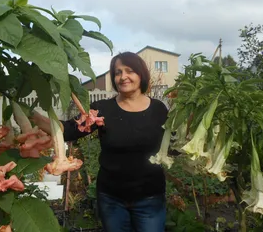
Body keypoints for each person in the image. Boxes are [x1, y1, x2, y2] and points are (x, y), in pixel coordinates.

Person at [32, 52, 169, 232]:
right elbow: (69, 130)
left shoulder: (158, 109)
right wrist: (31, 115)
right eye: (118, 72)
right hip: (112, 199)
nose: (123, 77)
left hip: (150, 198)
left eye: (129, 71)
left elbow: (172, 144)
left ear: (141, 74)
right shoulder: (103, 109)